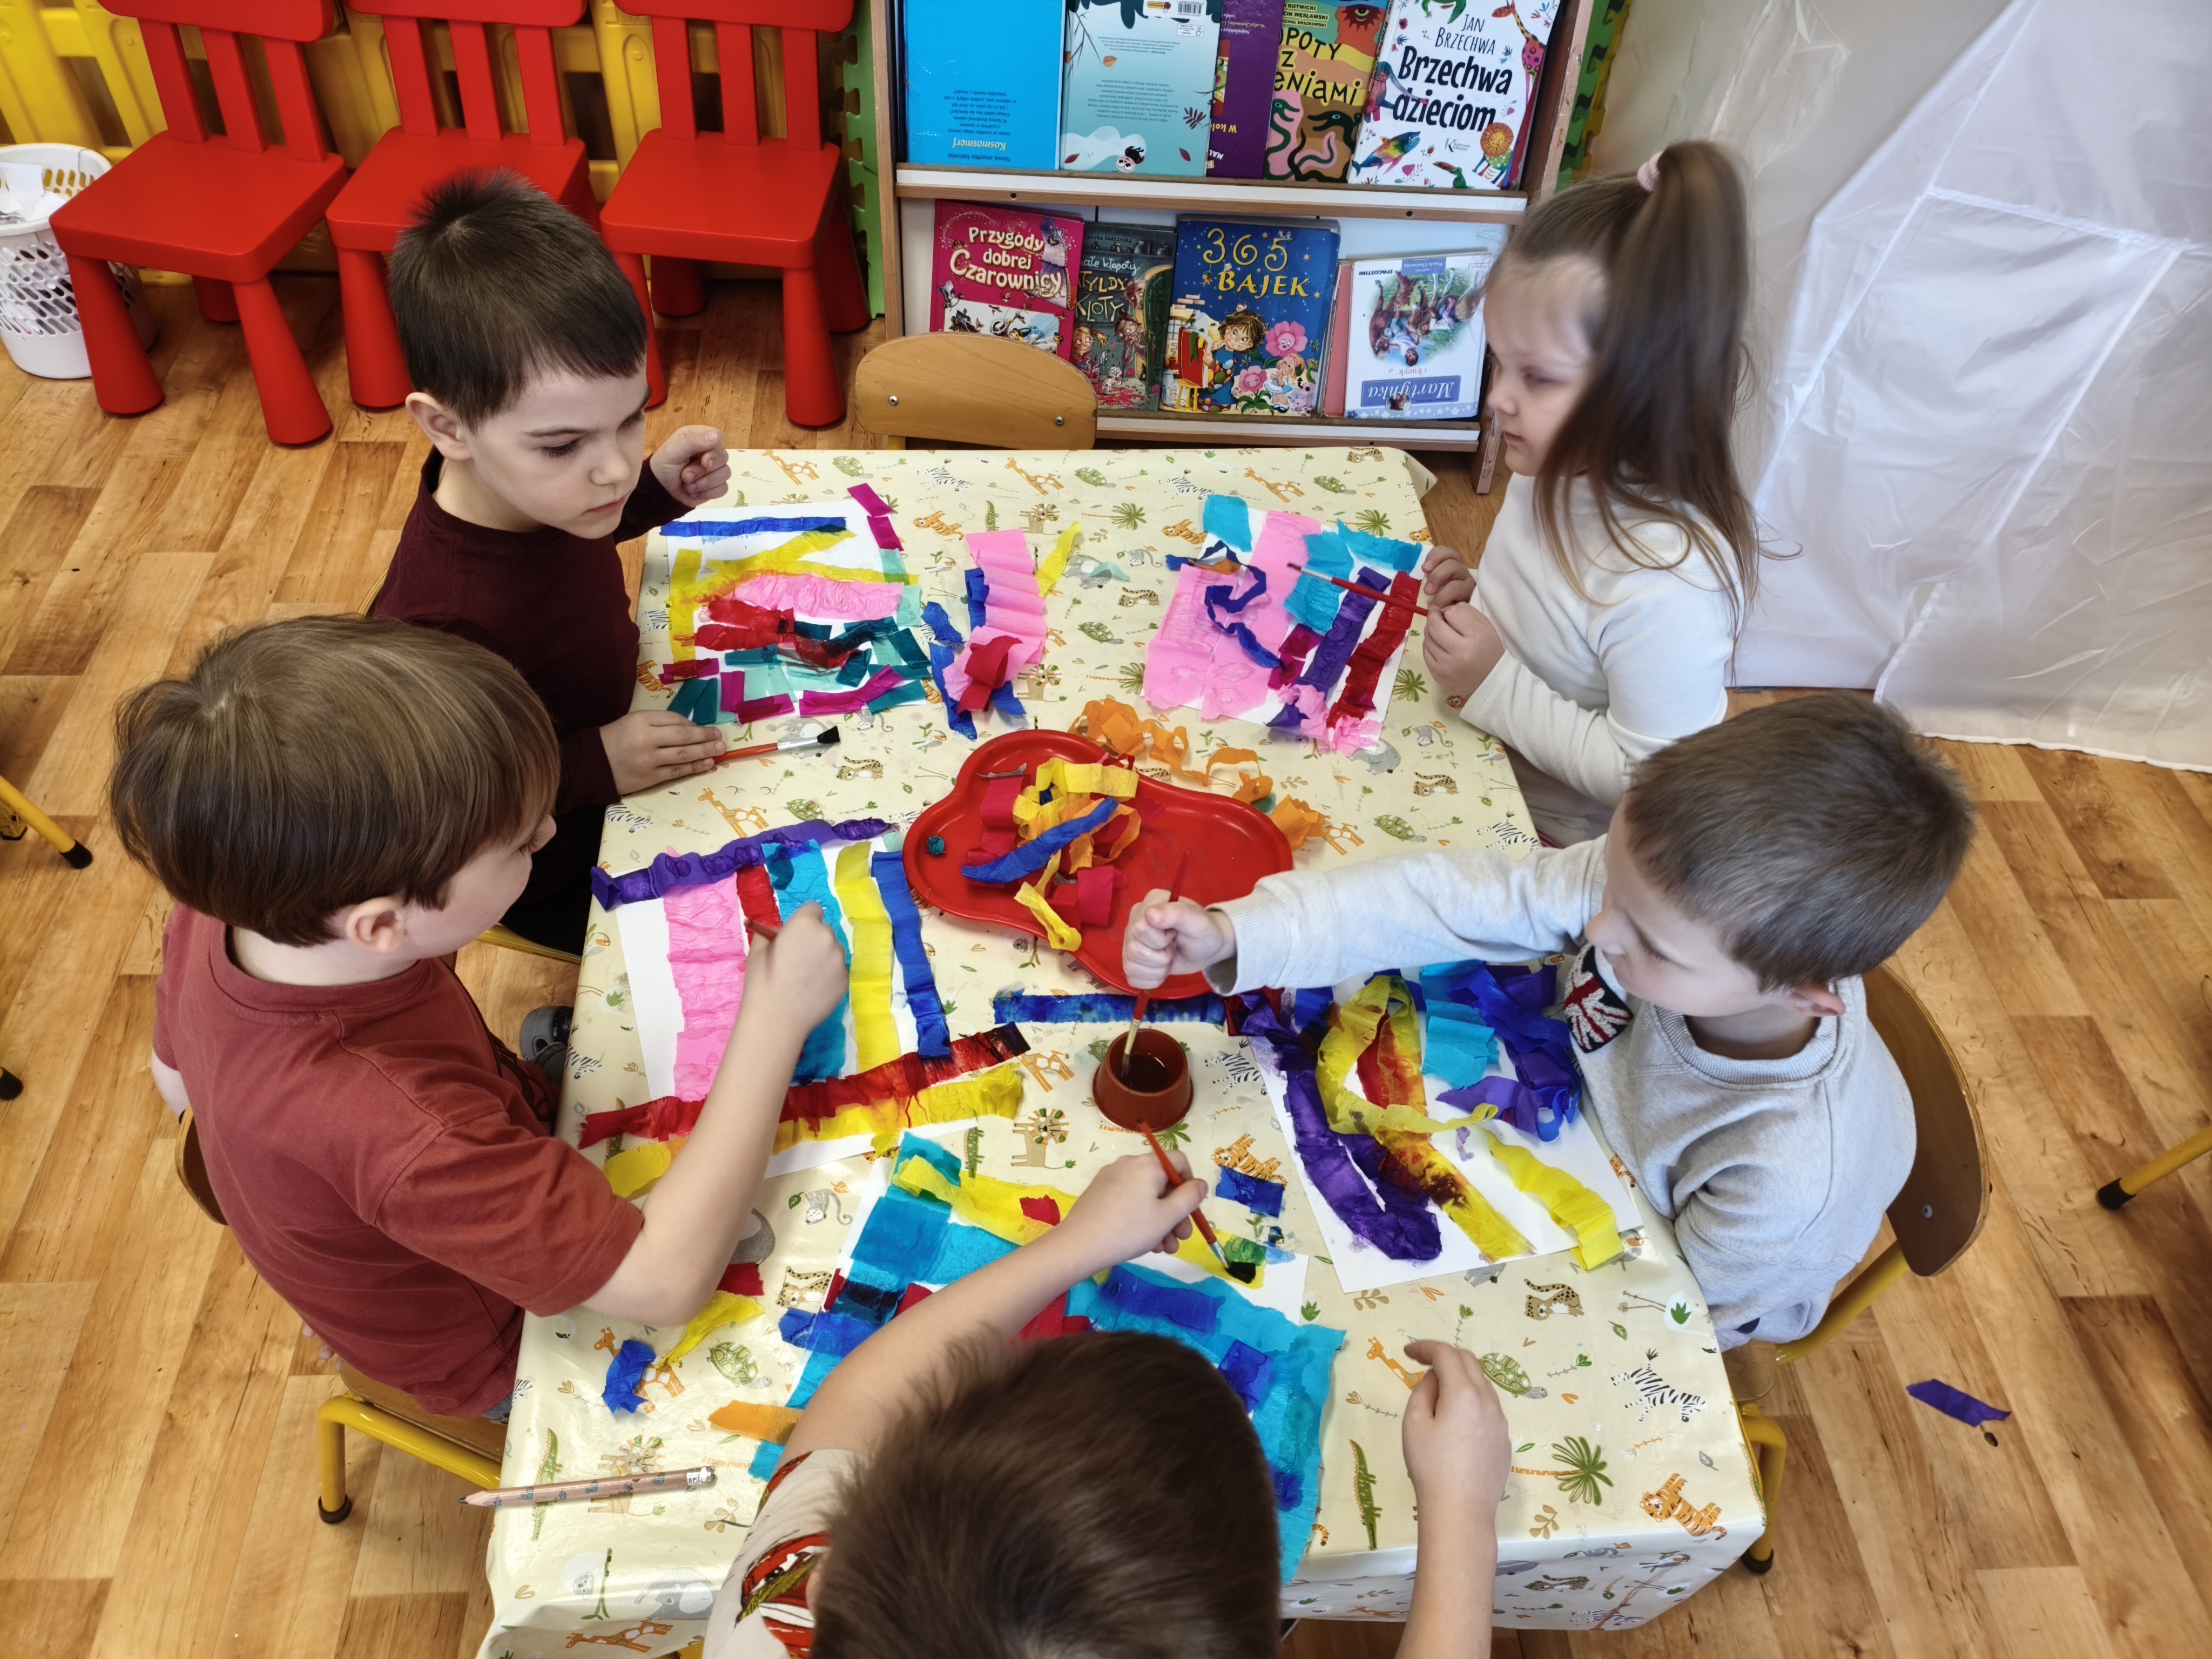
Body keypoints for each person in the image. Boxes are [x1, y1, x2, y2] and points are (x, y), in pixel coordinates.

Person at [114, 617, 847, 1419]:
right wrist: (773, 1021)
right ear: (381, 925)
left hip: (467, 1160)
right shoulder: (403, 1130)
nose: (550, 831)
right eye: (520, 845)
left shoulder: (235, 908)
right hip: (506, 1348)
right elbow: (666, 1281)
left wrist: (343, 1232)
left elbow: (176, 1083)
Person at [1123, 696, 1978, 1351]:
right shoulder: (1674, 902)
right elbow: (1453, 900)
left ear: (1804, 996)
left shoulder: (1785, 1177)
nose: (1598, 930)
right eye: (1611, 889)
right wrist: (1239, 935)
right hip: (1563, 1122)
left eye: (1650, 944)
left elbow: (1679, 1322)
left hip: (1653, 1280)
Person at [704, 1152, 1509, 1659]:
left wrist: (1075, 1244)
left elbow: (861, 1399)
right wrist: (1461, 1511)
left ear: (822, 1586)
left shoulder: (767, 1629)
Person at [373, 170, 732, 952]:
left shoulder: (540, 494)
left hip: (623, 742)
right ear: (447, 428)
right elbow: (450, 802)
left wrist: (653, 491)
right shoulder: (438, 625)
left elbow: (576, 536)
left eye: (631, 418)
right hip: (556, 865)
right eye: (565, 445)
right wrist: (593, 764)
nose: (613, 468)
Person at [1420, 142, 1757, 845]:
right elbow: (1561, 624)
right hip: (1470, 766)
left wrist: (1494, 683)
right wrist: (1479, 591)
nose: (1498, 399)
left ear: (1645, 387)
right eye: (1500, 364)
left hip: (1551, 847)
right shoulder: (1550, 468)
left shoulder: (1669, 580)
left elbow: (1654, 782)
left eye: (1538, 377)